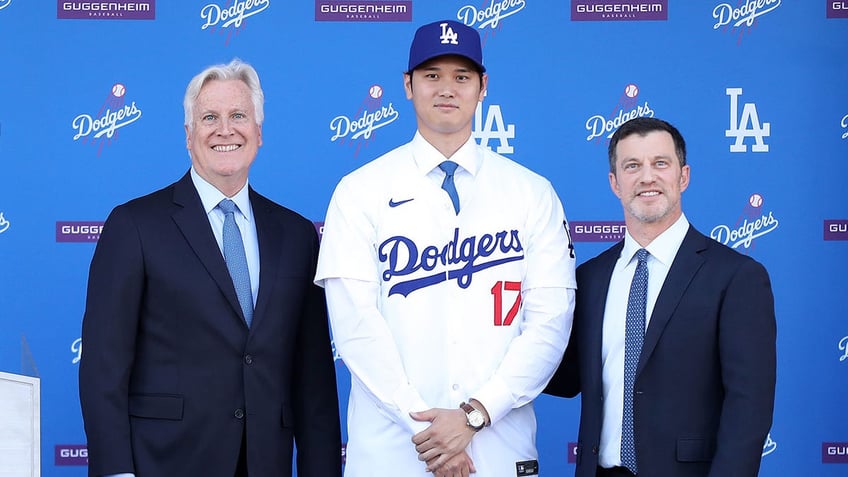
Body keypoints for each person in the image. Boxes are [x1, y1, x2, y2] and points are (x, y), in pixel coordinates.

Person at [314, 19, 576, 477]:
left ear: (483, 87)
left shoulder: (532, 193)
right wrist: (431, 432)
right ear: (407, 85)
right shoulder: (359, 190)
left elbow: (550, 324)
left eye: (462, 76)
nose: (446, 89)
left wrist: (475, 414)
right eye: (432, 75)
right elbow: (356, 328)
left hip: (498, 448)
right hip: (393, 452)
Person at [78, 59, 342, 477]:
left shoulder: (296, 235)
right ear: (188, 135)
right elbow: (103, 369)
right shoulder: (134, 226)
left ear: (259, 132)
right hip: (164, 462)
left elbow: (313, 380)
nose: (225, 129)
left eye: (238, 116)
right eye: (209, 118)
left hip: (265, 463)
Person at [546, 117, 776, 477]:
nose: (647, 177)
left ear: (683, 176)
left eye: (660, 163)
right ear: (615, 183)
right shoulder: (590, 279)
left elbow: (749, 408)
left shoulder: (736, 277)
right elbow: (565, 377)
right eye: (632, 166)